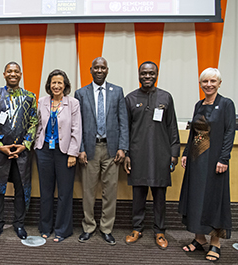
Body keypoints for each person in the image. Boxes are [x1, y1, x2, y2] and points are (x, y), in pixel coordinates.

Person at [178, 68, 235, 262]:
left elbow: (229, 132)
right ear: (200, 84)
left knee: (214, 201)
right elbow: (195, 133)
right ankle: (199, 239)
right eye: (205, 81)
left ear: (219, 83)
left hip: (215, 163)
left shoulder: (226, 104)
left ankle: (215, 243)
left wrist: (224, 158)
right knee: (195, 199)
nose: (208, 85)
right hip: (196, 161)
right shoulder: (198, 105)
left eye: (212, 81)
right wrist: (185, 153)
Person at [124, 61, 180, 250]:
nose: (147, 76)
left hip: (161, 154)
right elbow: (126, 129)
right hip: (137, 154)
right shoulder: (130, 98)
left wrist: (174, 154)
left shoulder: (166, 97)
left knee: (159, 195)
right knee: (138, 194)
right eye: (144, 73)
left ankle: (159, 231)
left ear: (157, 75)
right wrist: (127, 154)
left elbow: (172, 127)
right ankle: (137, 228)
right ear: (138, 75)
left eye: (151, 73)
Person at [74, 57, 129, 245]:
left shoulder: (117, 92)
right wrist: (80, 149)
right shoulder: (81, 93)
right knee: (88, 192)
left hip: (112, 150)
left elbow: (123, 122)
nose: (99, 70)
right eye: (96, 67)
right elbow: (77, 124)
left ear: (107, 70)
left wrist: (123, 147)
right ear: (90, 70)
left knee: (110, 191)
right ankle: (88, 227)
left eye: (102, 67)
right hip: (89, 150)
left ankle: (106, 228)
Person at [0, 61, 38, 241]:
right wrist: (0, 146)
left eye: (16, 71)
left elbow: (33, 123)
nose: (13, 74)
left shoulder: (30, 97)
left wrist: (25, 144)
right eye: (9, 71)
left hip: (22, 153)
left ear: (21, 74)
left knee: (21, 190)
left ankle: (19, 224)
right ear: (4, 74)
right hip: (0, 153)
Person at [34, 69, 82, 243]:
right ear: (49, 85)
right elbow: (37, 125)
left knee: (64, 192)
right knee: (45, 192)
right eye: (53, 82)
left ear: (65, 85)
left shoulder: (73, 103)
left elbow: (77, 129)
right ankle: (45, 227)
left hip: (65, 153)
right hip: (44, 151)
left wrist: (73, 153)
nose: (56, 86)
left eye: (59, 83)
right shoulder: (41, 102)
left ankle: (62, 230)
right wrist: (36, 146)